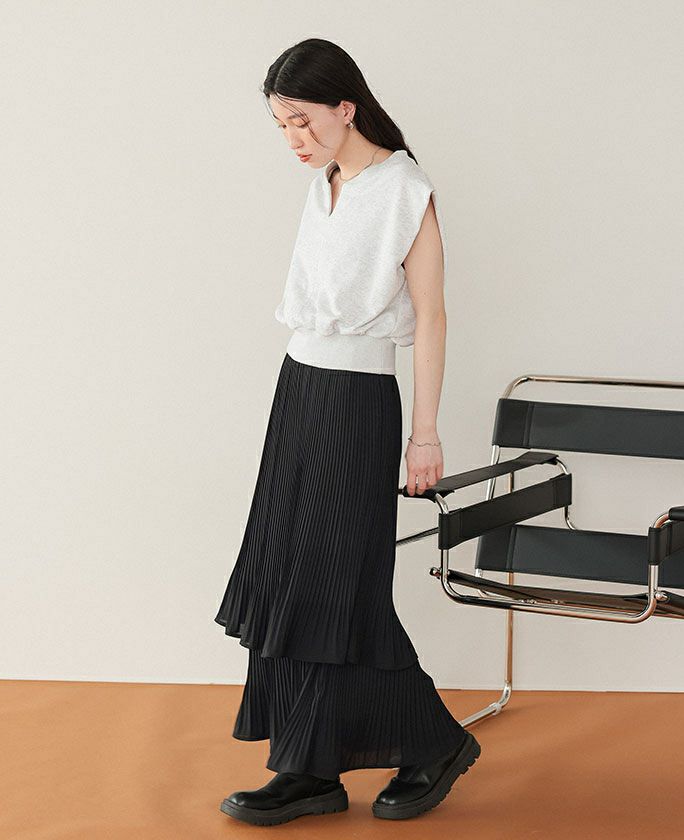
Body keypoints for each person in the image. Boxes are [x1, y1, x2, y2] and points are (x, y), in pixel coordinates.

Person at [215, 37, 480, 826]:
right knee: (289, 576)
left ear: (345, 106)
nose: (293, 139)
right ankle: (310, 767)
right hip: (298, 390)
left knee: (338, 585)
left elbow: (431, 317)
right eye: (281, 126)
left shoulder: (404, 187)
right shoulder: (325, 183)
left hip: (357, 401)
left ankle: (434, 743)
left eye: (302, 121)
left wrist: (424, 435)